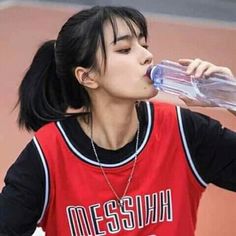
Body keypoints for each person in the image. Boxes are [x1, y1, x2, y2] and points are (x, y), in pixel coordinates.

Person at [0, 5, 236, 236]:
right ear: (88, 76)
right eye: (125, 49)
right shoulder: (49, 153)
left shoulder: (182, 130)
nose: (147, 56)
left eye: (144, 45)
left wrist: (232, 97)